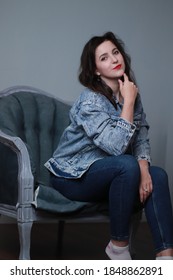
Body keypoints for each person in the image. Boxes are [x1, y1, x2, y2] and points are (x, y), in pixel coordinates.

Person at [45, 31, 173, 260]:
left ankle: (166, 256)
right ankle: (118, 246)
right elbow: (115, 147)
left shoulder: (130, 93)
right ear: (95, 70)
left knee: (158, 175)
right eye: (104, 58)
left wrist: (145, 171)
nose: (114, 60)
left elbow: (141, 135)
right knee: (126, 164)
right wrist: (129, 102)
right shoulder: (90, 100)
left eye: (115, 52)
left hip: (110, 172)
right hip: (72, 176)